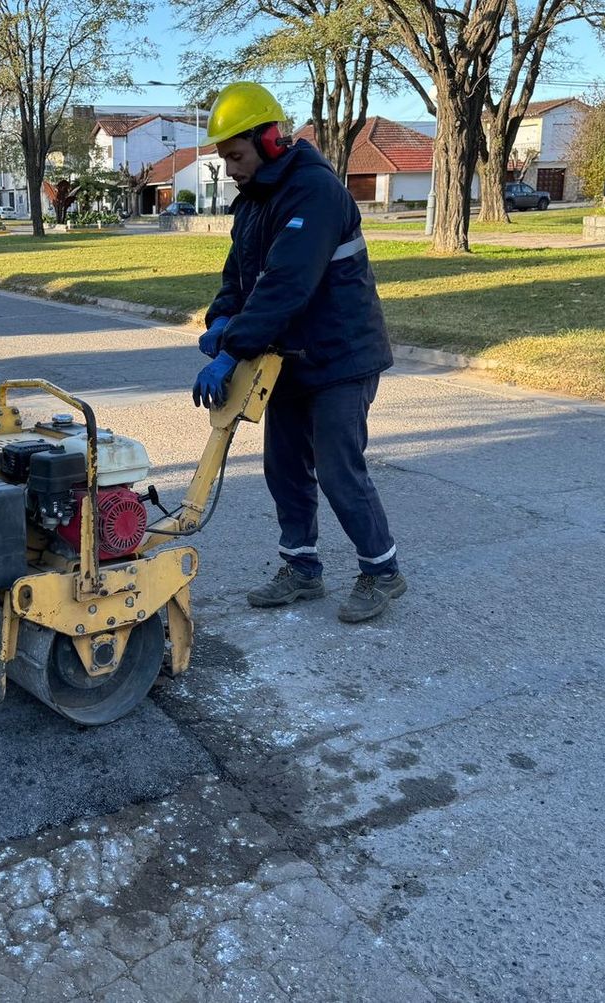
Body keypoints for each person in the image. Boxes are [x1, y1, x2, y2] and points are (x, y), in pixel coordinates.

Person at [190, 82, 404, 623]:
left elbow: (287, 284)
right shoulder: (255, 201)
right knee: (283, 466)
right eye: (224, 157)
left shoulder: (315, 192)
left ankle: (382, 572)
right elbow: (239, 278)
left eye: (236, 154)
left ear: (268, 140)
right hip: (285, 355)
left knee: (337, 468)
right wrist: (220, 320)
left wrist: (233, 349)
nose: (231, 167)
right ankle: (302, 570)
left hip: (340, 356)